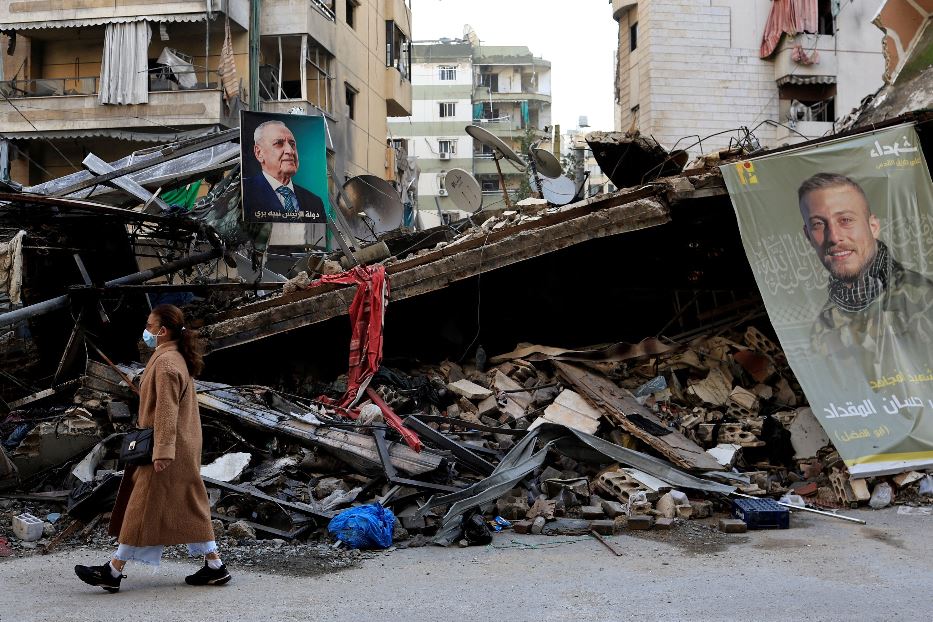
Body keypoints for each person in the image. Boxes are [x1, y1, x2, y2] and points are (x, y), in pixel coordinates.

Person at [74, 304, 231, 592]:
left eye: (149, 326)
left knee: (141, 504)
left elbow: (167, 412)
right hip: (182, 445)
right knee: (189, 504)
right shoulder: (172, 358)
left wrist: (162, 452)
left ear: (162, 331)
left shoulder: (167, 363)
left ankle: (113, 570)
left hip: (167, 447)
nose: (145, 331)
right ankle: (215, 565)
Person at [799, 173, 933, 378]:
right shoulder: (824, 323)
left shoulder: (922, 299)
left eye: (845, 220)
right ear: (808, 235)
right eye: (818, 224)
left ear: (873, 227)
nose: (834, 237)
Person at [241, 120, 325, 221]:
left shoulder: (315, 203)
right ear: (259, 153)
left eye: (292, 144)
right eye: (279, 143)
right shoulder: (243, 192)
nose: (290, 151)